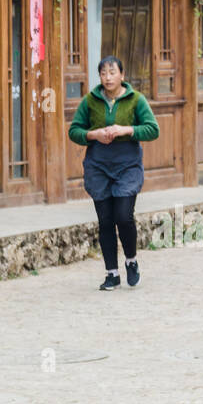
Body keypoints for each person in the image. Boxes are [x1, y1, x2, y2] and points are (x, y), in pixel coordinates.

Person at [68, 56, 159, 291]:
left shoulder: (135, 100)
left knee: (124, 216)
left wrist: (125, 129)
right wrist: (93, 135)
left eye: (112, 72)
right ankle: (112, 273)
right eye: (103, 73)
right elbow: (74, 131)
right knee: (105, 221)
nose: (107, 77)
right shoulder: (90, 101)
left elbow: (152, 129)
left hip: (127, 167)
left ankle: (131, 260)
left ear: (122, 75)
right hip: (98, 167)